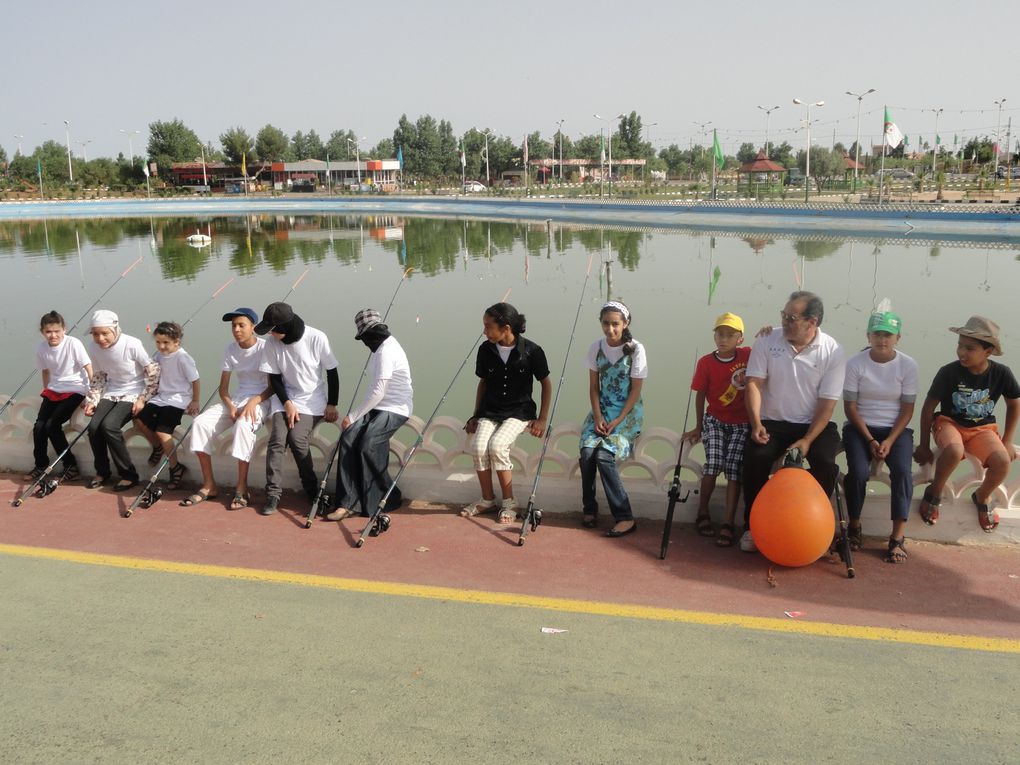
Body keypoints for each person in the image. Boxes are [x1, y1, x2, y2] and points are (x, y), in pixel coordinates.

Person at [742, 291, 846, 553]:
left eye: (792, 318)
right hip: (772, 422)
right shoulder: (768, 340)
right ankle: (752, 526)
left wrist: (808, 440)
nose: (785, 322)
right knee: (755, 458)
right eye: (784, 316)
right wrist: (756, 424)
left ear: (813, 322)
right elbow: (754, 383)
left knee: (825, 462)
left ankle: (817, 527)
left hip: (812, 426)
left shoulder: (831, 350)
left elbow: (828, 404)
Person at [913, 316, 1019, 534]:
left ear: (988, 352)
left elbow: (1014, 405)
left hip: (982, 428)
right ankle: (935, 492)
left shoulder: (1001, 374)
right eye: (960, 345)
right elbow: (928, 408)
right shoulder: (948, 372)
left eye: (969, 348)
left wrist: (1007, 440)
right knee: (954, 449)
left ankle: (982, 496)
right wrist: (924, 444)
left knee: (1001, 461)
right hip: (949, 422)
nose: (962, 352)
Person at [461, 302, 551, 524]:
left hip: (519, 411)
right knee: (479, 446)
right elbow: (483, 382)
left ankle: (509, 502)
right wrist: (475, 414)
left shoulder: (532, 351)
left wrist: (542, 419)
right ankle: (487, 499)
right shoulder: (485, 350)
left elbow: (546, 384)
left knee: (498, 445)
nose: (485, 332)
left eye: (489, 326)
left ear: (507, 327)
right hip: (490, 410)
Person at [842, 310, 918, 563]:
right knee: (859, 473)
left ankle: (897, 538)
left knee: (902, 472)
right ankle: (854, 525)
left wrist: (889, 440)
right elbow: (850, 407)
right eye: (877, 334)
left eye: (888, 335)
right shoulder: (855, 363)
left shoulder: (908, 365)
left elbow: (907, 410)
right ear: (868, 335)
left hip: (895, 429)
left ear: (898, 337)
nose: (882, 340)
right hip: (860, 426)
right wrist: (871, 440)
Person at [326, 308, 413, 522]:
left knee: (368, 443)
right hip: (377, 407)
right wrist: (355, 419)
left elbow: (379, 392)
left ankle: (381, 498)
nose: (365, 342)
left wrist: (352, 416)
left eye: (365, 337)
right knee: (348, 437)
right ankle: (346, 502)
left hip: (395, 408)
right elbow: (373, 391)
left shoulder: (386, 351)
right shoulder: (378, 349)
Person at [255, 302, 339, 516]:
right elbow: (274, 378)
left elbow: (332, 372)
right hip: (285, 397)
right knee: (277, 441)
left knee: (297, 439)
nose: (271, 334)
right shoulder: (271, 344)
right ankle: (273, 493)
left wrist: (332, 403)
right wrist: (287, 403)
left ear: (286, 328)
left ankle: (312, 489)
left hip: (312, 400)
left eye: (274, 330)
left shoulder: (316, 337)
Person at [185, 308, 272, 509]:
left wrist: (253, 402)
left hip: (261, 400)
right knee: (200, 423)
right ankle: (209, 485)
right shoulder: (230, 349)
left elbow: (273, 386)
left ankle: (242, 488)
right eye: (234, 326)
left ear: (253, 327)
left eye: (242, 325)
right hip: (237, 398)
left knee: (243, 426)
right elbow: (223, 389)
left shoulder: (265, 349)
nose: (236, 329)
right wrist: (231, 407)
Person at [579, 301, 648, 537]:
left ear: (625, 323)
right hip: (602, 411)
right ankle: (589, 508)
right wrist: (598, 416)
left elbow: (636, 391)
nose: (610, 329)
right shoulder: (595, 348)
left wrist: (618, 421)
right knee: (587, 453)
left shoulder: (636, 349)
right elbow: (593, 388)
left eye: (615, 324)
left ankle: (625, 517)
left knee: (604, 456)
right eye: (606, 324)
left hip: (626, 414)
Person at [682, 312, 750, 547]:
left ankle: (728, 523)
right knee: (712, 464)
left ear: (740, 338)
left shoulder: (748, 355)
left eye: (730, 335)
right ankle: (703, 512)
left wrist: (768, 332)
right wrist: (699, 425)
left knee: (733, 468)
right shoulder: (706, 363)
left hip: (742, 422)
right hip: (716, 419)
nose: (724, 339)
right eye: (720, 334)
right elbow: (700, 395)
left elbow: (770, 351)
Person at [83, 310, 160, 491]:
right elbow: (100, 376)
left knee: (109, 425)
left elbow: (152, 371)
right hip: (112, 391)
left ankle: (129, 475)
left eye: (105, 333)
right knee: (94, 428)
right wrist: (92, 401)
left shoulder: (132, 343)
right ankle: (102, 471)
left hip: (135, 391)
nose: (100, 338)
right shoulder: (93, 348)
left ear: (115, 329)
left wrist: (143, 398)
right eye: (96, 334)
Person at [26, 310, 93, 483]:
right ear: (42, 332)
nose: (53, 335)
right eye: (48, 332)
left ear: (64, 329)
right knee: (39, 426)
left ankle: (70, 466)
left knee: (52, 425)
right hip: (54, 389)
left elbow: (88, 367)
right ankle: (40, 466)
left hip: (75, 388)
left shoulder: (73, 343)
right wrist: (46, 391)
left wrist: (92, 393)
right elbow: (46, 371)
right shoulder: (42, 348)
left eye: (57, 331)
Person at [134, 321, 200, 492]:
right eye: (158, 342)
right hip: (160, 398)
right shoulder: (159, 356)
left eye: (166, 343)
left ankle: (175, 467)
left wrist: (195, 400)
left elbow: (195, 380)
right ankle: (157, 446)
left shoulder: (183, 358)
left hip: (178, 400)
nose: (161, 346)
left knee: (163, 432)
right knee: (138, 421)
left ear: (176, 341)